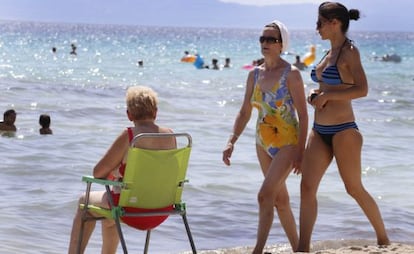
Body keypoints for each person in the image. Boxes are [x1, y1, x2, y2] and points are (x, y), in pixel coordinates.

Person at [296, 2, 390, 252]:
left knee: (353, 188)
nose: (317, 28)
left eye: (320, 23)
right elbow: (331, 86)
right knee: (306, 187)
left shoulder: (349, 52)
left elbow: (362, 89)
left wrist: (328, 97)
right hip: (319, 131)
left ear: (334, 23)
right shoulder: (328, 54)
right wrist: (317, 93)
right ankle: (302, 248)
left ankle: (383, 238)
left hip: (344, 130)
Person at [222, 20, 308, 253]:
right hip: (262, 143)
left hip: (288, 143)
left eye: (272, 39)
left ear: (282, 44)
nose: (266, 43)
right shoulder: (254, 75)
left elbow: (303, 115)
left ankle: (257, 250)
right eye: (263, 39)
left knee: (264, 195)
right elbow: (245, 111)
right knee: (280, 201)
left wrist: (301, 152)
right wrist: (232, 140)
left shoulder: (292, 74)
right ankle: (300, 249)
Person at [67, 86, 176, 254]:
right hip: (162, 210)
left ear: (129, 114)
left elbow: (98, 173)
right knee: (110, 215)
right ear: (155, 112)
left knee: (84, 201)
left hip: (130, 209)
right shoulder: (170, 135)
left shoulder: (130, 136)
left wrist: (116, 171)